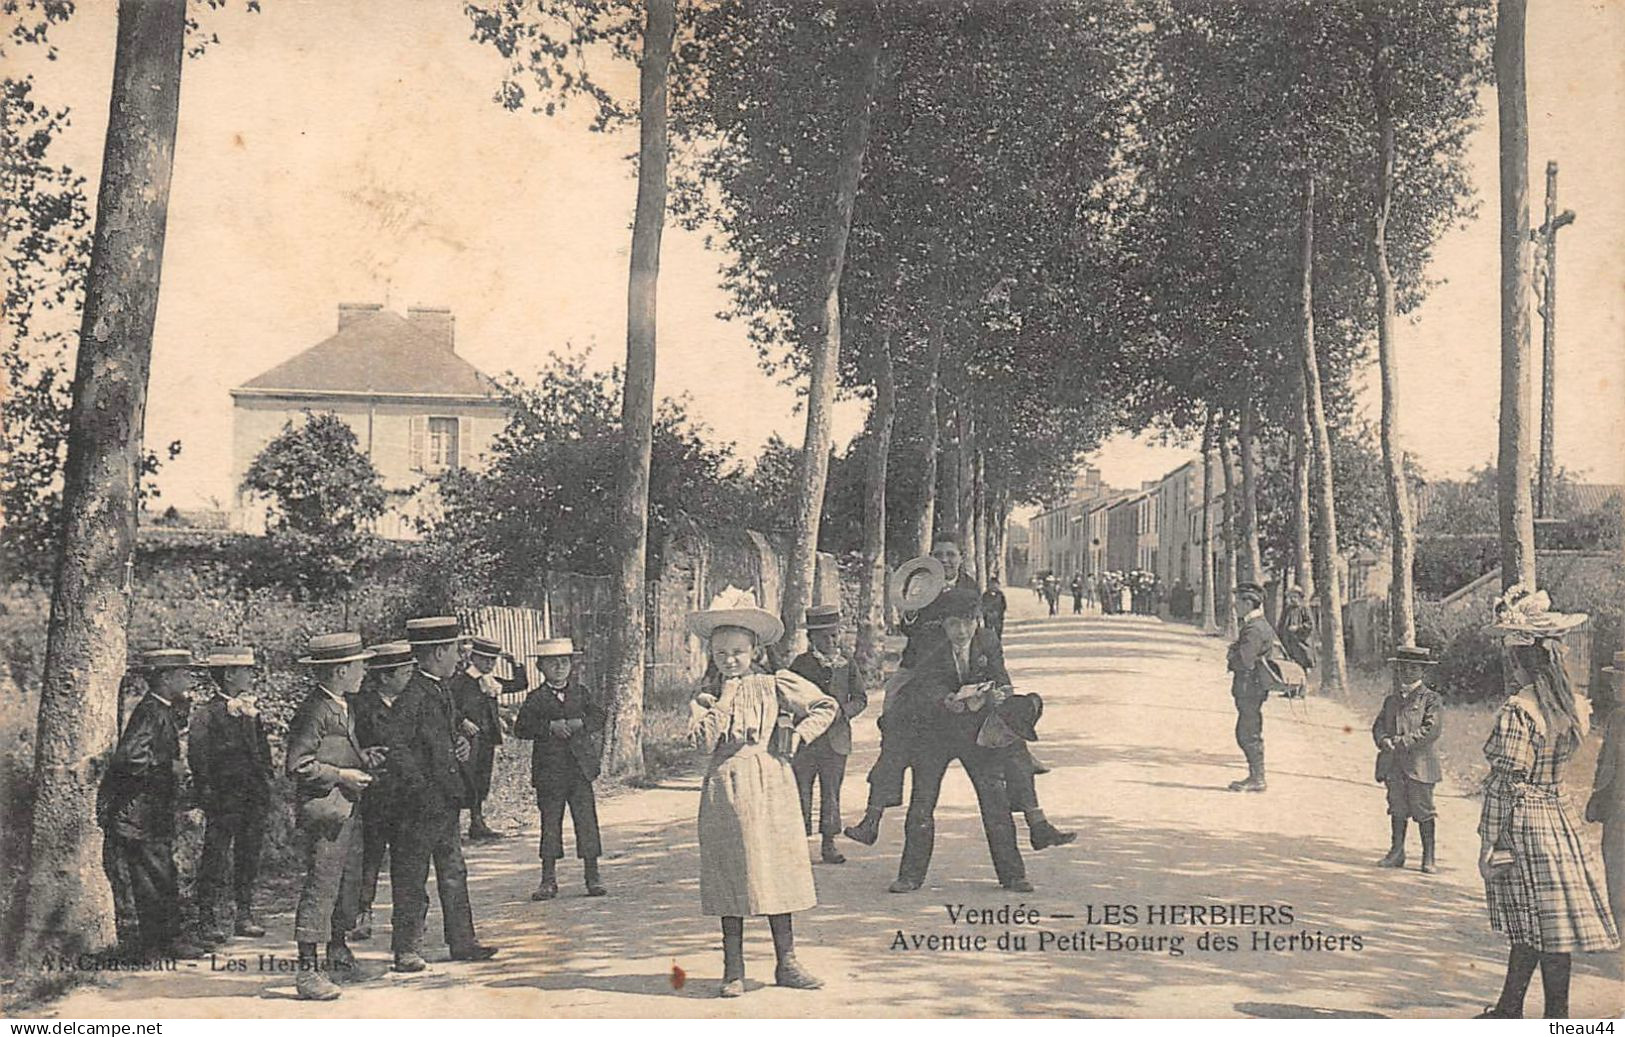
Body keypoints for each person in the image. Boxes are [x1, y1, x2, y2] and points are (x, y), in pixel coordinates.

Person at [685, 587, 837, 997]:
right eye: (721, 654)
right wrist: (725, 699)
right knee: (729, 874)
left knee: (776, 868)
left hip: (771, 780)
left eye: (737, 652)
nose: (730, 660)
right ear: (712, 656)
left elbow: (825, 706)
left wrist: (800, 735)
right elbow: (701, 743)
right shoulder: (707, 697)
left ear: (753, 650)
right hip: (726, 786)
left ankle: (787, 961)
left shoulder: (775, 684)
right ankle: (733, 968)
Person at [1476, 588, 1618, 1019]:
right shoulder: (1571, 705)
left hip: (1525, 821)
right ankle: (1515, 1009)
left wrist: (1488, 840)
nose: (1510, 668)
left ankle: (1551, 1017)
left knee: (1538, 924)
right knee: (1544, 923)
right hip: (1558, 814)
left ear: (1521, 662)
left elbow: (1506, 783)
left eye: (1512, 661)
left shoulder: (1519, 710)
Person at [889, 588, 1034, 894]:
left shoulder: (988, 640)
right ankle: (910, 875)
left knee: (995, 798)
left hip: (975, 731)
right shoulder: (929, 642)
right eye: (954, 624)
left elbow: (1002, 677)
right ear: (943, 623)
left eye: (968, 622)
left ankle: (1013, 874)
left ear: (977, 620)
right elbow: (924, 684)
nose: (962, 631)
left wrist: (999, 694)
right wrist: (945, 700)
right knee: (922, 801)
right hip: (933, 732)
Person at [387, 616, 499, 972]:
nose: (460, 657)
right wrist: (419, 787)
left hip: (445, 800)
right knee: (411, 876)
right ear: (438, 653)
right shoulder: (413, 696)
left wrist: (459, 747)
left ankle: (463, 942)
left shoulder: (439, 689)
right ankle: (406, 949)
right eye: (454, 650)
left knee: (454, 872)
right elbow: (397, 747)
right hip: (419, 806)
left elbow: (438, 737)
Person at [286, 633, 382, 1000]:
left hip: (345, 810)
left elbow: (335, 752)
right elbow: (298, 764)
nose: (364, 671)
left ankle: (339, 955)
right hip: (325, 813)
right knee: (322, 887)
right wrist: (342, 776)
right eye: (359, 665)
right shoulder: (314, 710)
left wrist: (363, 758)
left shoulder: (342, 704)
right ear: (341, 670)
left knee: (345, 885)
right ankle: (308, 973)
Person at [96, 649, 207, 960]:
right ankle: (157, 944)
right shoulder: (150, 711)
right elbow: (129, 758)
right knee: (153, 879)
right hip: (140, 815)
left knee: (161, 876)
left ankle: (164, 941)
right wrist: (166, 766)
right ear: (166, 677)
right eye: (184, 674)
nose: (188, 679)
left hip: (151, 813)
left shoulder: (161, 709)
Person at [188, 645, 273, 944]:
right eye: (245, 670)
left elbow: (262, 751)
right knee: (216, 857)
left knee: (249, 856)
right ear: (228, 675)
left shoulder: (250, 709)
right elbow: (198, 759)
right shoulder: (206, 714)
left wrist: (266, 783)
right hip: (223, 799)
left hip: (252, 797)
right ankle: (207, 918)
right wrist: (206, 796)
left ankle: (244, 914)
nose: (250, 675)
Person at [513, 637, 606, 900]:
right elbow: (520, 729)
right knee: (550, 823)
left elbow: (599, 717)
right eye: (552, 663)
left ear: (571, 666)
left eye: (564, 662)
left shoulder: (581, 693)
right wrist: (548, 728)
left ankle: (593, 876)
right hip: (550, 771)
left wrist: (580, 723)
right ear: (541, 667)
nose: (559, 668)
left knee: (586, 820)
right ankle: (548, 879)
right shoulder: (535, 698)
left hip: (579, 770)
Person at [787, 605, 868, 865]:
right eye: (824, 637)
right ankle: (797, 843)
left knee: (831, 792)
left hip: (836, 740)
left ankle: (829, 842)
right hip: (807, 741)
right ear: (811, 639)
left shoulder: (847, 664)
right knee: (801, 790)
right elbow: (788, 696)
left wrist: (843, 712)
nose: (831, 642)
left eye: (834, 636)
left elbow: (860, 698)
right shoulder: (801, 664)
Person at [350, 640, 414, 942]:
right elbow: (347, 747)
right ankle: (363, 912)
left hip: (408, 793)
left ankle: (408, 919)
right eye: (404, 672)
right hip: (373, 795)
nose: (410, 677)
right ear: (386, 676)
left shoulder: (414, 703)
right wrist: (363, 756)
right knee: (370, 857)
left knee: (408, 858)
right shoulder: (359, 708)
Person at [1372, 645, 1443, 873]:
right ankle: (1396, 852)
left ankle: (1428, 857)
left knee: (1423, 809)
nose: (1408, 672)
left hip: (1419, 765)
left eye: (1414, 668)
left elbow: (1431, 730)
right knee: (1397, 807)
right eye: (1403, 668)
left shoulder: (1430, 699)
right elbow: (1379, 725)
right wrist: (1383, 740)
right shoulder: (1391, 700)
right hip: (1394, 764)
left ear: (1423, 671)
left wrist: (1402, 742)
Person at [449, 636, 528, 840]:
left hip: (486, 737)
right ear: (474, 657)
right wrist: (461, 721)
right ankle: (453, 828)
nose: (489, 664)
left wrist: (514, 662)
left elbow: (520, 684)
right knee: (463, 780)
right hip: (466, 739)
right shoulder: (460, 681)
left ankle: (478, 823)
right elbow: (446, 704)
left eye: (493, 660)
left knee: (481, 779)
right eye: (484, 660)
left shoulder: (491, 682)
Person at [1586, 651, 1625, 936]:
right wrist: (1597, 797)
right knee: (1614, 867)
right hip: (1616, 808)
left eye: (1618, 680)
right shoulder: (1616, 716)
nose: (1613, 686)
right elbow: (1606, 763)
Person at [1226, 581, 1277, 793]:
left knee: (1248, 732)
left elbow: (1245, 661)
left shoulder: (1254, 629)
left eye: (1238, 601)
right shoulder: (1257, 625)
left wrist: (1231, 656)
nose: (1235, 605)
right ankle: (1255, 776)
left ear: (1248, 603)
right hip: (1252, 687)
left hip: (1249, 687)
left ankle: (1257, 778)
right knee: (1248, 730)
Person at [1279, 587, 1318, 682]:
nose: (1292, 599)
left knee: (1301, 667)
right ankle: (1291, 689)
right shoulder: (1287, 610)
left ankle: (1301, 691)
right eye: (1291, 597)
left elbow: (1310, 625)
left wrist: (1297, 628)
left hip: (1300, 644)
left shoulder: (1304, 609)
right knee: (1289, 666)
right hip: (1289, 643)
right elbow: (1281, 624)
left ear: (1300, 598)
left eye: (1295, 597)